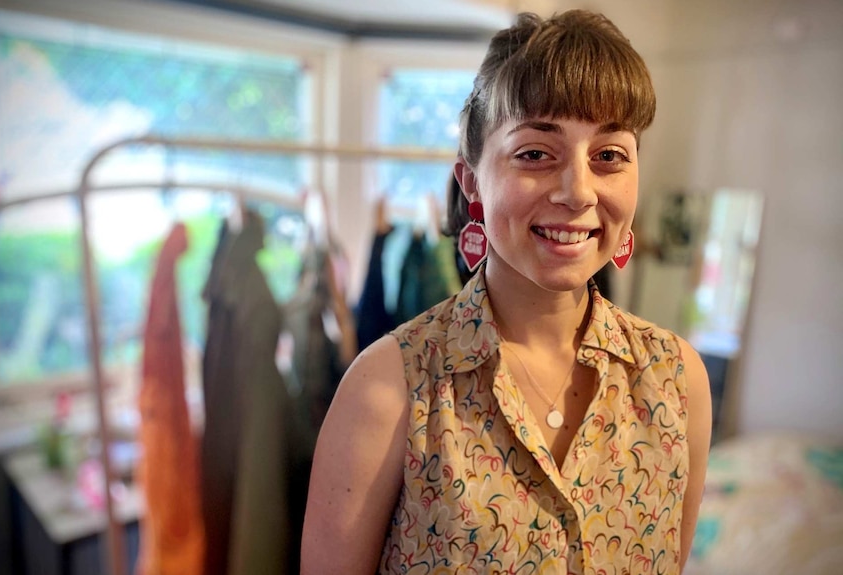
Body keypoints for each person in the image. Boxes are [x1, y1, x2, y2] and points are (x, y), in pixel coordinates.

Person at [301, 9, 712, 575]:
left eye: (609, 156)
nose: (578, 192)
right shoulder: (390, 388)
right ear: (472, 181)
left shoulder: (676, 380)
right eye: (535, 153)